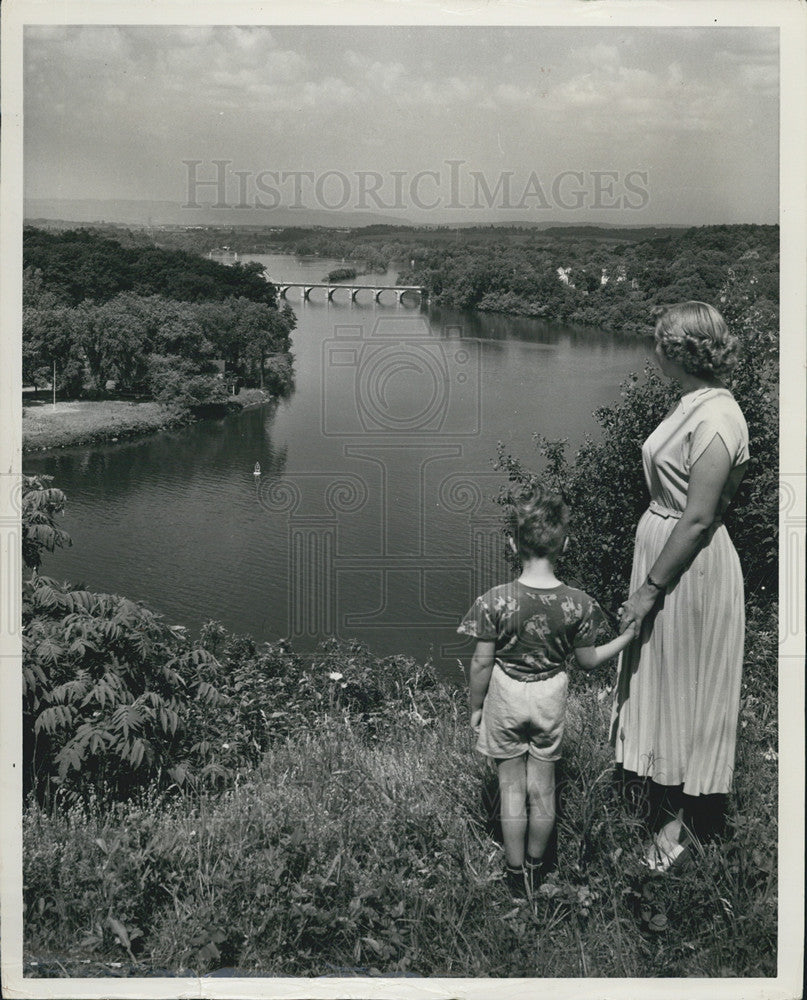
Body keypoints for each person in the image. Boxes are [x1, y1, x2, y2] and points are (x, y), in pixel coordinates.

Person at [611, 301, 749, 871]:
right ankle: (658, 791)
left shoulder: (717, 417)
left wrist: (648, 589)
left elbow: (697, 517)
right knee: (664, 679)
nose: (654, 348)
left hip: (689, 569)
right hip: (669, 554)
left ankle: (687, 821)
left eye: (660, 340)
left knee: (692, 686)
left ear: (680, 349)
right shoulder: (692, 404)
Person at [458, 490, 638, 902]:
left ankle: (513, 874)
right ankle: (539, 873)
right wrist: (626, 638)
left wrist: (475, 707)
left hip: (505, 695)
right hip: (550, 696)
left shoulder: (494, 601)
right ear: (566, 545)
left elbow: (482, 664)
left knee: (511, 790)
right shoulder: (579, 605)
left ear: (512, 545)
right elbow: (589, 661)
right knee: (542, 789)